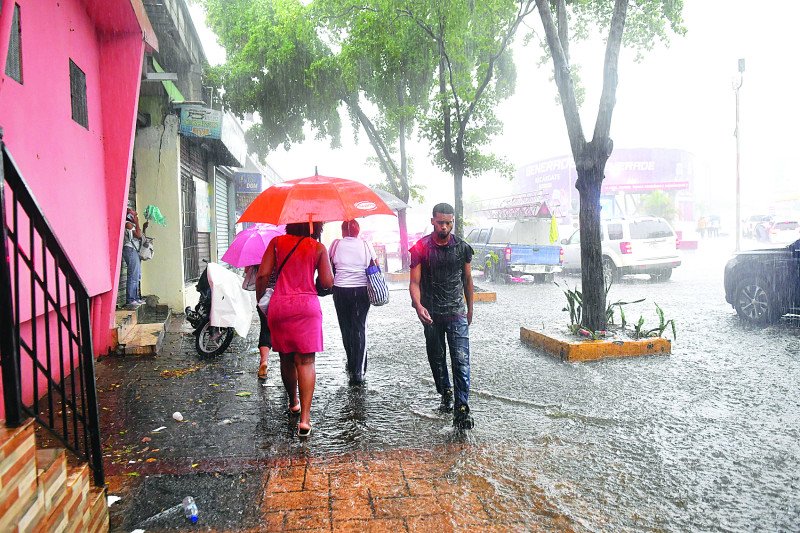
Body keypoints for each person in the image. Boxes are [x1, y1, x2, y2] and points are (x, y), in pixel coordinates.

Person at [255, 222, 333, 437]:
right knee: (306, 362)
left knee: (286, 358)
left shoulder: (276, 242)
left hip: (280, 305)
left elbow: (262, 275)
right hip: (307, 307)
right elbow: (327, 282)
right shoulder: (317, 247)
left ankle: (293, 402)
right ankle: (305, 420)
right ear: (314, 226)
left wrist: (260, 300)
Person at [409, 203, 475, 430]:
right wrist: (418, 305)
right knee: (436, 359)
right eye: (441, 223)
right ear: (432, 221)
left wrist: (470, 308)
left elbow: (467, 279)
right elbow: (414, 282)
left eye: (449, 223)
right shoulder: (420, 248)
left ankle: (462, 409)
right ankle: (445, 391)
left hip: (456, 311)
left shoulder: (462, 248)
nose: (445, 227)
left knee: (461, 360)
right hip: (431, 313)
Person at [329, 220, 375, 385]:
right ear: (358, 231)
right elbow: (374, 266)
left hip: (340, 290)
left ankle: (351, 363)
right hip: (361, 290)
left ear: (343, 231)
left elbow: (329, 265)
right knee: (359, 328)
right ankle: (358, 371)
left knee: (346, 328)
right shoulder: (365, 244)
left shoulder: (335, 245)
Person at [243, 265, 271, 379]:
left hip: (264, 298)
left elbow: (247, 271)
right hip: (283, 297)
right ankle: (287, 364)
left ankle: (264, 361)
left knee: (265, 330)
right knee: (283, 333)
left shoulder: (258, 256)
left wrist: (260, 298)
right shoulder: (281, 251)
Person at [122, 209, 147, 307]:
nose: (136, 215)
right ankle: (131, 299)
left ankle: (135, 298)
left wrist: (143, 227)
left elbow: (141, 237)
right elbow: (138, 235)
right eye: (134, 214)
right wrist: (137, 222)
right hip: (130, 249)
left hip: (134, 250)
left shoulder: (133, 225)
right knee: (133, 275)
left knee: (137, 275)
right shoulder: (128, 224)